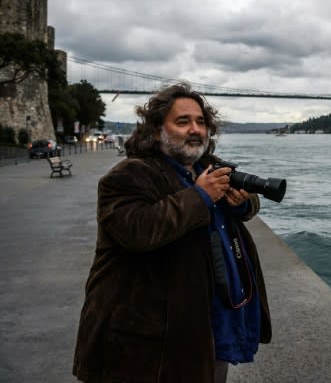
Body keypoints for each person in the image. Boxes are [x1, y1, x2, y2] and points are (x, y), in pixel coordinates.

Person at [73, 82, 271, 383]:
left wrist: (242, 204)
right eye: (183, 121)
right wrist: (200, 197)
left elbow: (248, 200)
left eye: (201, 122)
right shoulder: (129, 175)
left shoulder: (208, 167)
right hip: (149, 342)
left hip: (211, 328)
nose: (195, 129)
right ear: (155, 131)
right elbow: (138, 230)